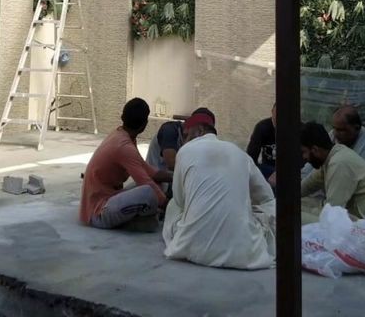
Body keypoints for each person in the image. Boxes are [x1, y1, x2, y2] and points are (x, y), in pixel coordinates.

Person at [163, 111, 276, 269]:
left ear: (200, 130)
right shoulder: (240, 154)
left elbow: (180, 200)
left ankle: (189, 238)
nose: (184, 141)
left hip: (193, 249)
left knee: (173, 205)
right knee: (269, 207)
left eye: (186, 135)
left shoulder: (185, 151)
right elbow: (267, 198)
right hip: (243, 254)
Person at [79, 98, 172, 231]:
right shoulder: (124, 147)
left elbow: (149, 171)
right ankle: (135, 221)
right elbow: (145, 181)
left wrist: (177, 176)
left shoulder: (122, 135)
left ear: (123, 117)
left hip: (109, 197)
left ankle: (139, 219)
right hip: (99, 211)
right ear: (144, 124)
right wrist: (171, 207)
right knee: (148, 192)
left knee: (157, 184)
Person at [300, 121, 365, 229]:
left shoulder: (339, 164)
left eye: (303, 152)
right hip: (351, 217)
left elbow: (332, 213)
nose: (304, 158)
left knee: (291, 215)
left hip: (363, 228)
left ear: (315, 150)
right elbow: (306, 186)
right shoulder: (331, 156)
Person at [146, 107, 216, 172]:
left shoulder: (198, 140)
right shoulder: (169, 130)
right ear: (200, 128)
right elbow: (171, 164)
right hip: (154, 177)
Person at [247, 103, 276, 186]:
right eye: (276, 114)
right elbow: (251, 156)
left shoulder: (297, 128)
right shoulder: (262, 127)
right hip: (267, 168)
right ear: (272, 112)